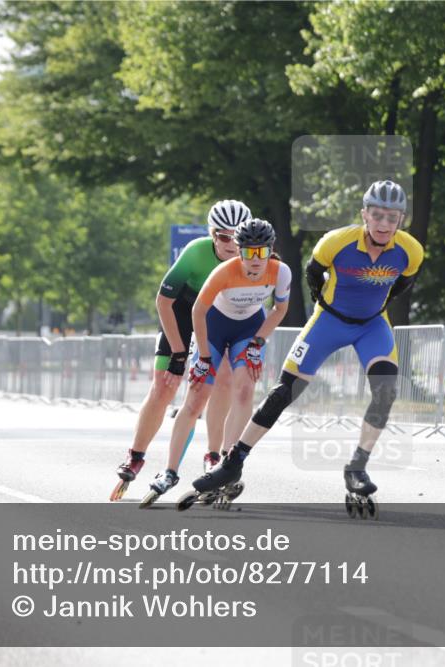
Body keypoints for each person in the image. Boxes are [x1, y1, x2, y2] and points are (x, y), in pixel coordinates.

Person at [184, 180, 423, 512]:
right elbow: (314, 275)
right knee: (285, 392)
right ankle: (233, 462)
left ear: (401, 220)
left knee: (386, 390)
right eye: (378, 215)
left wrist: (375, 308)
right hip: (329, 321)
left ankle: (357, 467)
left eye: (392, 218)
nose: (384, 224)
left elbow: (402, 285)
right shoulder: (335, 243)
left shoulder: (411, 251)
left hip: (372, 326)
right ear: (364, 214)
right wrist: (328, 307)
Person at [141, 218, 291, 505]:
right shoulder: (225, 271)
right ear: (239, 250)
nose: (255, 260)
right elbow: (198, 311)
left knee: (245, 390)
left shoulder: (280, 272)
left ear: (271, 250)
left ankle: (227, 463)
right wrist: (204, 358)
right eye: (248, 252)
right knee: (196, 398)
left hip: (248, 328)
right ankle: (170, 471)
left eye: (262, 252)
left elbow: (279, 309)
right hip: (213, 325)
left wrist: (258, 343)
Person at [110, 200, 251, 501]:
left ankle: (214, 456)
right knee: (164, 384)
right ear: (213, 235)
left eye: (237, 237)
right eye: (224, 237)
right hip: (182, 311)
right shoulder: (196, 252)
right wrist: (177, 353)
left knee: (222, 379)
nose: (231, 244)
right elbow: (164, 301)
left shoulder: (250, 259)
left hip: (217, 316)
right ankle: (136, 455)